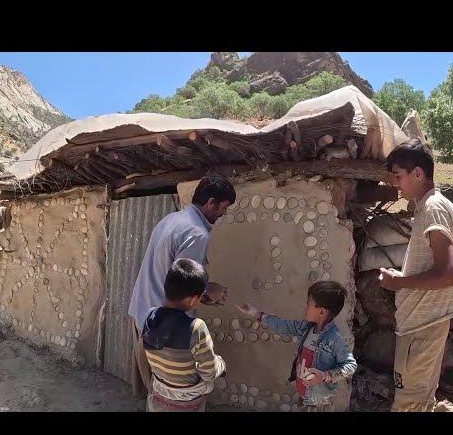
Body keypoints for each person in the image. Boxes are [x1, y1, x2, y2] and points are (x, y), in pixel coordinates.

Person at [127, 176, 236, 398]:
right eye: (223, 208)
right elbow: (185, 285)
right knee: (168, 394)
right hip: (164, 327)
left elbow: (173, 276)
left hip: (142, 313)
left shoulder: (171, 219)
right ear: (211, 202)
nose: (223, 214)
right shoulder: (197, 233)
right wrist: (210, 291)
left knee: (150, 389)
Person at [379, 138, 453, 412]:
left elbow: (447, 274)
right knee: (421, 402)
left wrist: (399, 282)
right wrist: (403, 277)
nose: (396, 185)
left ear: (418, 174)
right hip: (420, 325)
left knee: (408, 404)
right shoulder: (428, 206)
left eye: (399, 177)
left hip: (422, 327)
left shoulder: (433, 207)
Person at [237, 281, 357, 412]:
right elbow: (283, 325)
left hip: (320, 402)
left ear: (321, 312)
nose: (305, 307)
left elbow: (350, 366)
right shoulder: (305, 328)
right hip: (305, 396)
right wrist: (256, 313)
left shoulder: (334, 339)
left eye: (309, 304)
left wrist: (325, 376)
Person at [142, 258, 226, 412]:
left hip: (159, 392)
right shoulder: (196, 328)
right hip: (186, 401)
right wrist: (221, 363)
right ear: (194, 299)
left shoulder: (149, 317)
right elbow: (209, 373)